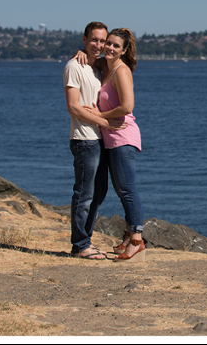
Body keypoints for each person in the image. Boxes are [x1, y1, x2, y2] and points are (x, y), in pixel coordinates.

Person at [63, 21, 124, 260]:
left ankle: (85, 241)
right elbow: (73, 107)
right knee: (84, 193)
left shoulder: (96, 67)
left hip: (99, 139)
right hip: (84, 139)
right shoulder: (74, 66)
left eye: (102, 41)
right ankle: (79, 245)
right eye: (94, 40)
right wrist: (105, 122)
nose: (99, 45)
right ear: (85, 39)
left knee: (98, 193)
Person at [83, 28, 145, 262]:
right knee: (120, 190)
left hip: (122, 136)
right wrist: (81, 51)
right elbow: (90, 57)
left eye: (115, 46)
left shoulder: (121, 70)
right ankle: (129, 237)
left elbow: (127, 106)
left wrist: (100, 113)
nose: (109, 48)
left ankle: (137, 240)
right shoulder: (106, 67)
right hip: (110, 138)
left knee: (127, 190)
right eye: (108, 43)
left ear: (124, 50)